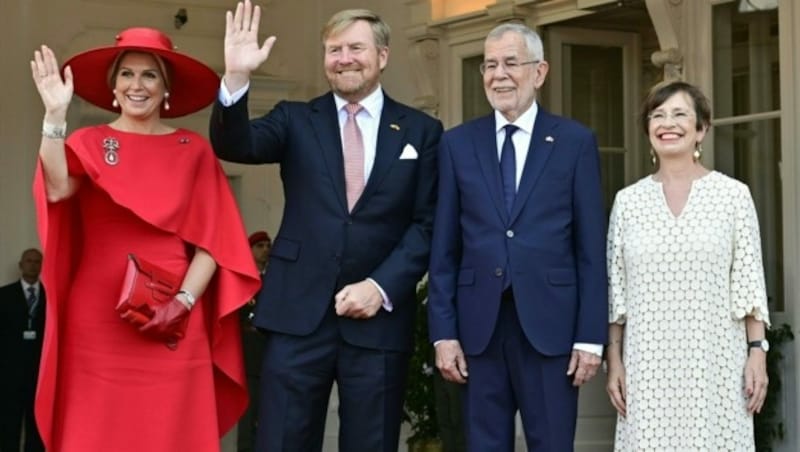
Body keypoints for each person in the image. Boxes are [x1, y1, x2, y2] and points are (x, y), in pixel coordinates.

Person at [210, 2, 443, 450]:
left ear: (383, 56)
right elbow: (235, 143)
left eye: (356, 47)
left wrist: (380, 286)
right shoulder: (296, 119)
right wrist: (236, 78)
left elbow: (427, 224)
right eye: (333, 49)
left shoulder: (420, 131)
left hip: (378, 323)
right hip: (297, 316)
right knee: (282, 441)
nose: (344, 58)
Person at [29, 27, 260, 452]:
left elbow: (215, 242)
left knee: (169, 429)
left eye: (150, 75)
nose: (138, 85)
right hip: (97, 317)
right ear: (113, 86)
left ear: (166, 88)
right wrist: (54, 118)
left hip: (173, 311)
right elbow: (57, 188)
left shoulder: (194, 149)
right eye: (127, 75)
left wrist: (183, 304)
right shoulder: (88, 141)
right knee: (97, 428)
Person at [427, 22, 608, 451]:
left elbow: (589, 249)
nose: (498, 74)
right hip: (478, 331)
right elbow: (444, 248)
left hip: (552, 330)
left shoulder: (574, 142)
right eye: (490, 65)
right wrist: (443, 333)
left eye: (511, 62)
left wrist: (589, 337)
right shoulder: (457, 144)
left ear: (540, 72)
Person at [604, 80, 770, 451]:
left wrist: (757, 351)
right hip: (647, 366)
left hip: (715, 362)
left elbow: (748, 283)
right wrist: (613, 360)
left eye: (681, 114)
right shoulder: (628, 203)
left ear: (701, 130)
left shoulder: (733, 196)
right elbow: (617, 292)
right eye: (658, 115)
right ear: (648, 130)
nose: (668, 123)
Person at [0, 248, 46, 452]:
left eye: (37, 261)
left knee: (36, 422)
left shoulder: (49, 296)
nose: (33, 265)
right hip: (9, 372)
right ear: (20, 265)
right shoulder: (3, 295)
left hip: (39, 373)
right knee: (8, 421)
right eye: (29, 261)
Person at [237, 230, 271, 452]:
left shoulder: (274, 281)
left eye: (268, 245)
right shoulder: (242, 281)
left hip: (268, 356)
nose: (266, 250)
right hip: (248, 358)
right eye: (259, 246)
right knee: (248, 419)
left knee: (267, 418)